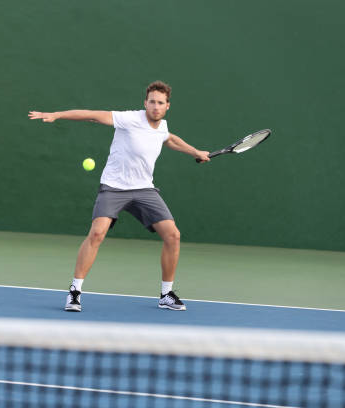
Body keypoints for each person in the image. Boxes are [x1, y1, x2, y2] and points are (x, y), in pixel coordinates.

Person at [28, 81, 210, 312]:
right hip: (114, 187)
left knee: (173, 235)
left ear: (167, 106)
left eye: (160, 103)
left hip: (144, 189)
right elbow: (93, 115)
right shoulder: (130, 119)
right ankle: (75, 292)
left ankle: (166, 294)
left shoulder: (162, 126)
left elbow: (170, 139)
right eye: (152, 102)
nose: (155, 106)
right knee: (97, 233)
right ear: (145, 103)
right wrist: (58, 115)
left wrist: (195, 152)